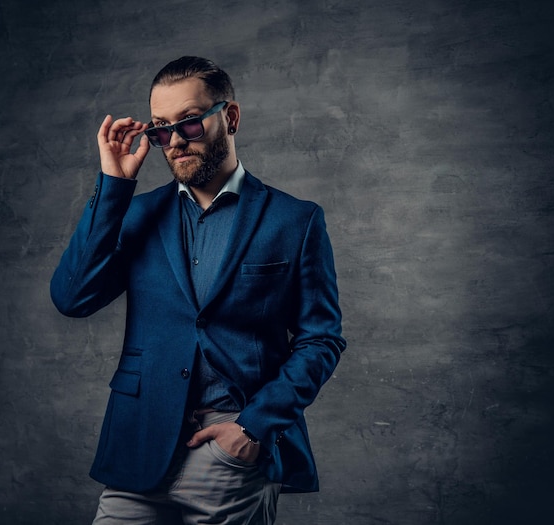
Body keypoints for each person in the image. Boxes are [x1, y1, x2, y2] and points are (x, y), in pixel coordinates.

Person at [50, 56, 346, 524]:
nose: (173, 141)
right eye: (160, 128)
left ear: (229, 117)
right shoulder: (136, 214)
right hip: (140, 443)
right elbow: (72, 298)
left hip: (231, 451)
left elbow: (321, 339)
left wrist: (252, 428)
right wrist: (113, 188)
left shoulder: (295, 220)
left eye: (188, 123)